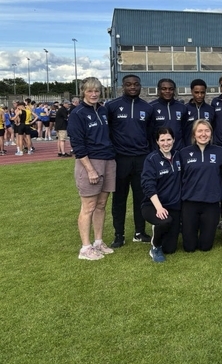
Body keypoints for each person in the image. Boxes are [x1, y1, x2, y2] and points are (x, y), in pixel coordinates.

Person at [67, 77, 116, 261]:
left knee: (101, 205)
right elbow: (78, 145)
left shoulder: (103, 110)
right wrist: (90, 169)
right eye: (90, 91)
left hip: (108, 160)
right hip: (90, 162)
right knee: (88, 206)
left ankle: (98, 241)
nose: (94, 94)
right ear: (83, 92)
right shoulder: (77, 113)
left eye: (97, 91)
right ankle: (85, 248)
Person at [105, 74, 153, 247]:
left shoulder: (147, 108)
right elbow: (107, 132)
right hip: (120, 159)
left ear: (140, 86)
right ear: (123, 86)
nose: (132, 87)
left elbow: (150, 134)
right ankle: (119, 235)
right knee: (119, 198)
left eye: (136, 84)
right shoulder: (112, 106)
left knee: (141, 197)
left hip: (141, 159)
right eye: (128, 84)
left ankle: (140, 232)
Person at [179, 119, 222, 252]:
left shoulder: (219, 152)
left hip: (211, 202)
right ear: (194, 134)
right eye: (200, 131)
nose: (203, 134)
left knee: (206, 247)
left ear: (211, 133)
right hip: (190, 202)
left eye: (207, 131)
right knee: (189, 247)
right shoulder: (184, 153)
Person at [141, 127, 182, 262]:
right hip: (153, 205)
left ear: (174, 140)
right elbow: (148, 185)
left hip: (174, 206)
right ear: (157, 142)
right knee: (165, 221)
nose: (166, 143)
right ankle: (155, 247)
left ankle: (162, 233)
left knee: (170, 249)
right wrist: (158, 207)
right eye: (162, 140)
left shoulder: (178, 156)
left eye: (169, 139)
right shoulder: (151, 159)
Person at [150, 78, 188, 150]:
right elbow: (150, 132)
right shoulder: (151, 107)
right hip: (159, 151)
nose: (167, 91)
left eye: (171, 89)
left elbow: (185, 130)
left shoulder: (182, 107)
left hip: (178, 150)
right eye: (164, 89)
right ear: (159, 90)